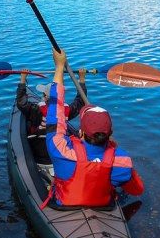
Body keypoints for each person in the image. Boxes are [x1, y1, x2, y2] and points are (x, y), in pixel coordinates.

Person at [45, 48, 144, 208]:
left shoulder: (61, 149)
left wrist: (59, 68)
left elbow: (56, 114)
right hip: (103, 206)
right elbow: (137, 190)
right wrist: (114, 149)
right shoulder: (122, 161)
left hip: (64, 206)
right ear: (110, 134)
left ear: (81, 132)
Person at [16, 67, 88, 136]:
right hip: (60, 139)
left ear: (45, 97)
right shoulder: (67, 109)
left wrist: (22, 79)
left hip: (41, 138)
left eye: (43, 94)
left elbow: (21, 103)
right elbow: (81, 100)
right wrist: (82, 79)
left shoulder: (38, 109)